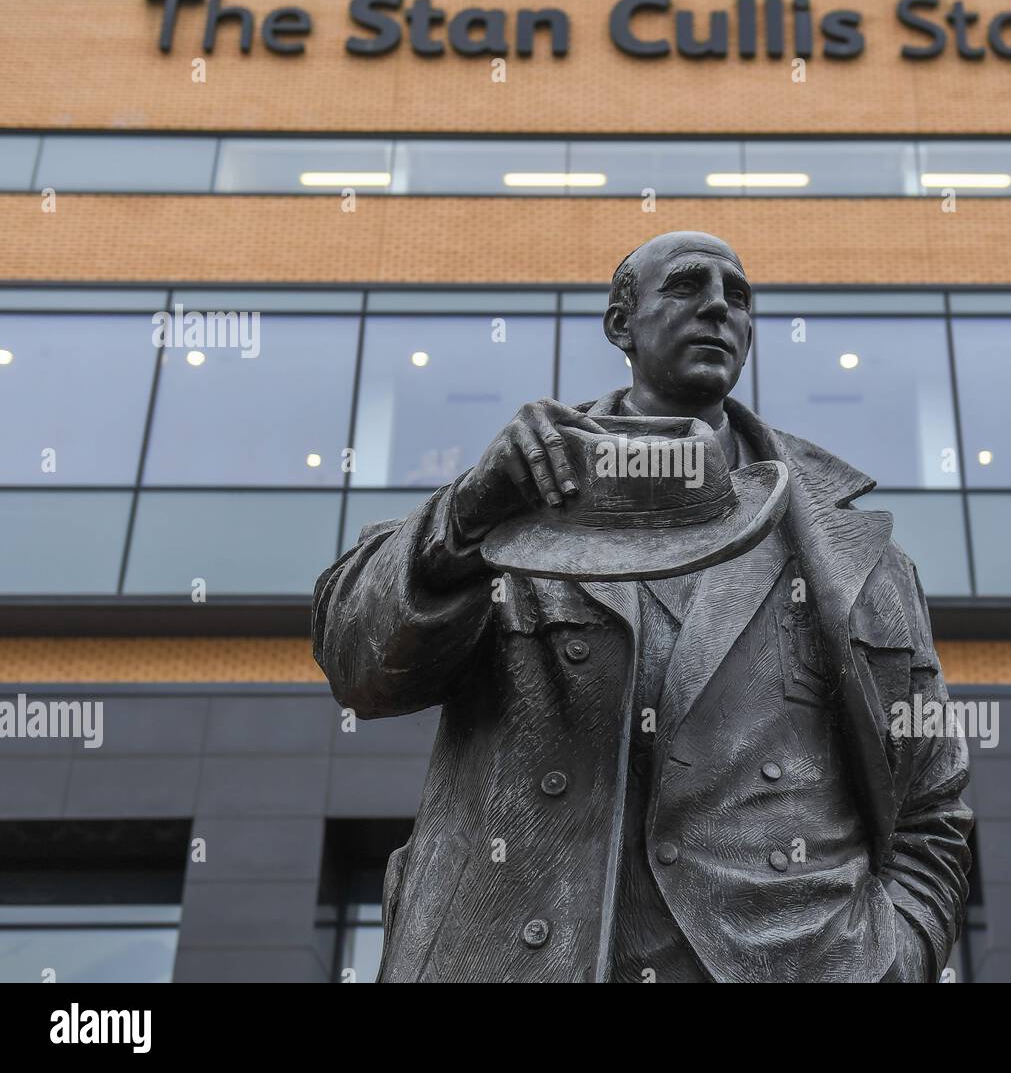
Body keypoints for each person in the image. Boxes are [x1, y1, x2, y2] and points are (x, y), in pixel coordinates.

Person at [312, 231, 972, 982]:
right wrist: (466, 514)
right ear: (621, 324)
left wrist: (890, 961)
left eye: (739, 296)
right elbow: (357, 664)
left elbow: (933, 809)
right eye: (688, 286)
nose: (719, 307)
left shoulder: (855, 555)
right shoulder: (512, 503)